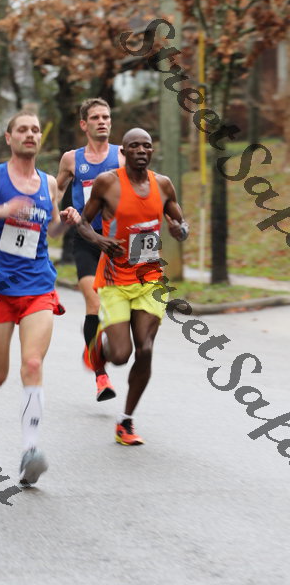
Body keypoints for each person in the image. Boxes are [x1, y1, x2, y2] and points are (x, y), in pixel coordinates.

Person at [0, 110, 80, 487]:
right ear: (9, 138)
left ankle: (30, 451)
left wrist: (65, 222)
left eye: (36, 130)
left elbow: (51, 230)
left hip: (38, 285)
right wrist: (1, 210)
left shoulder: (49, 183)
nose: (30, 134)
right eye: (22, 129)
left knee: (32, 362)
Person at [77, 128, 189, 445]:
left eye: (147, 146)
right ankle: (100, 347)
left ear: (152, 151)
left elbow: (181, 225)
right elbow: (83, 223)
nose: (141, 150)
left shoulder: (163, 185)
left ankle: (125, 421)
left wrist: (179, 230)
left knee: (146, 349)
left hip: (149, 280)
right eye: (134, 146)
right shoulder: (107, 183)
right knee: (121, 355)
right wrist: (100, 240)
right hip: (115, 281)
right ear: (124, 152)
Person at [57, 98, 125, 402]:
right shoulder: (71, 159)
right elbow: (57, 190)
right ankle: (101, 377)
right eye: (96, 117)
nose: (102, 122)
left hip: (116, 242)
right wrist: (60, 211)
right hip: (85, 239)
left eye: (106, 117)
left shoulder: (122, 156)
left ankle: (101, 349)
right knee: (93, 302)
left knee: (119, 311)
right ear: (84, 124)